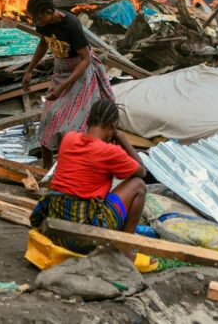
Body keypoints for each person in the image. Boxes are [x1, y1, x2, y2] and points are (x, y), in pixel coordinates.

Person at [29, 99, 147, 254]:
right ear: (113, 125)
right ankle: (125, 248)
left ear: (89, 120)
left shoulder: (69, 138)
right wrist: (121, 137)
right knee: (138, 185)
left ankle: (123, 246)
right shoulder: (110, 152)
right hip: (83, 240)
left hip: (54, 231)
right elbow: (142, 171)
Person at [22, 0, 115, 168]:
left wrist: (63, 86)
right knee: (49, 118)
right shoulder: (43, 24)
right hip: (61, 70)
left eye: (38, 17)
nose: (36, 21)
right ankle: (47, 170)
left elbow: (85, 59)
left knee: (72, 123)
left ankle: (76, 167)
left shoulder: (71, 25)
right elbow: (44, 43)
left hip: (80, 72)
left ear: (49, 12)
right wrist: (29, 70)